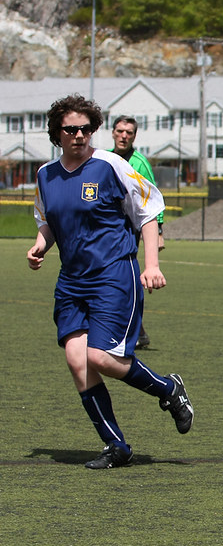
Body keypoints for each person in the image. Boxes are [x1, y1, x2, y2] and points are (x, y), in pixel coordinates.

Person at [27, 94, 193, 470]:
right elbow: (47, 219)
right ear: (57, 133)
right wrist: (40, 244)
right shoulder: (45, 175)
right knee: (76, 360)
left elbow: (150, 210)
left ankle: (169, 388)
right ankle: (116, 445)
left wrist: (151, 264)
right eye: (71, 129)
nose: (80, 135)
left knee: (101, 357)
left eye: (86, 128)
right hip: (72, 280)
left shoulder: (110, 165)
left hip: (113, 274)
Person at [111, 115, 161, 348]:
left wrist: (159, 230)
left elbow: (153, 198)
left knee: (124, 275)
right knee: (114, 276)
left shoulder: (139, 162)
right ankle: (133, 331)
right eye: (120, 131)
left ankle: (135, 331)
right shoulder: (107, 159)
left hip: (131, 228)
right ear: (113, 133)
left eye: (129, 132)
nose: (124, 136)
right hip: (111, 227)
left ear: (134, 136)